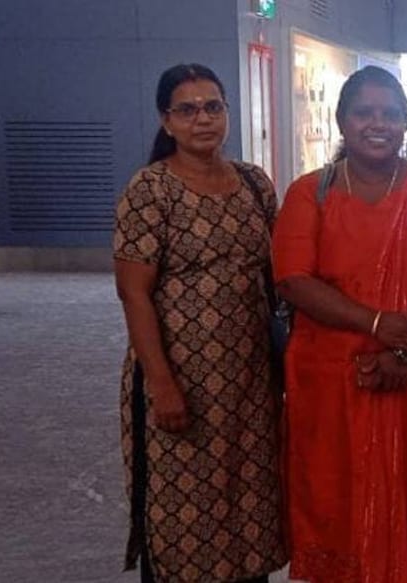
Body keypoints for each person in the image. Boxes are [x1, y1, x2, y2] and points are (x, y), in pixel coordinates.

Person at [272, 65, 407, 583]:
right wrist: (378, 324)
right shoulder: (307, 192)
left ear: (406, 123)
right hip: (332, 379)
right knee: (338, 488)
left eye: (390, 114)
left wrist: (403, 348)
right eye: (364, 113)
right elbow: (293, 279)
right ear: (341, 121)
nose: (377, 124)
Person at [113, 63, 286, 583]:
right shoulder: (151, 191)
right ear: (166, 122)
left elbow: (278, 277)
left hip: (250, 386)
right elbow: (133, 293)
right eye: (187, 110)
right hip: (180, 382)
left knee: (248, 513)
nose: (202, 119)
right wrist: (161, 385)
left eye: (213, 106)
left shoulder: (255, 184)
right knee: (183, 519)